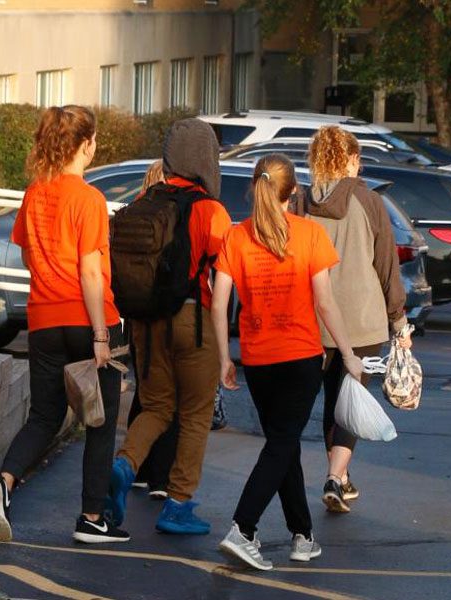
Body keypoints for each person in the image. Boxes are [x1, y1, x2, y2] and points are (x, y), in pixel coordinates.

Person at [0, 105, 129, 544]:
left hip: (43, 319)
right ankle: (91, 519)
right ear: (85, 145)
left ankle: (4, 483)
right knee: (99, 421)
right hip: (88, 318)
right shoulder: (88, 199)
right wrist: (102, 334)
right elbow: (88, 271)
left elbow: (27, 256)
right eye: (94, 140)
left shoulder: (34, 193)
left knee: (44, 415)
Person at [212, 154, 364, 570]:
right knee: (281, 444)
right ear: (293, 191)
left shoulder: (237, 236)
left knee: (285, 443)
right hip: (298, 357)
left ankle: (303, 535)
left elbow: (220, 300)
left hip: (258, 359)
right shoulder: (310, 234)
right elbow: (326, 302)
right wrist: (348, 354)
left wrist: (225, 356)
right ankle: (243, 528)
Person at [107, 119, 231, 535]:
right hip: (193, 321)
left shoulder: (146, 199)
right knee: (194, 414)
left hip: (146, 322)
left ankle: (124, 467)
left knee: (156, 406)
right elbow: (225, 271)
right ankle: (178, 505)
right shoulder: (210, 210)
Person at [305, 126, 410, 513]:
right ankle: (336, 476)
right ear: (350, 160)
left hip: (314, 318)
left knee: (329, 403)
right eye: (357, 158)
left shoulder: (302, 201)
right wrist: (399, 322)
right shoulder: (369, 202)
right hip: (362, 320)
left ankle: (340, 476)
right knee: (348, 400)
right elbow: (386, 268)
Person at [125, 159, 178, 501]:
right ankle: (161, 477)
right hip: (164, 312)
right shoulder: (171, 214)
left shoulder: (132, 211)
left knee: (144, 391)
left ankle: (138, 470)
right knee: (168, 397)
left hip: (134, 312)